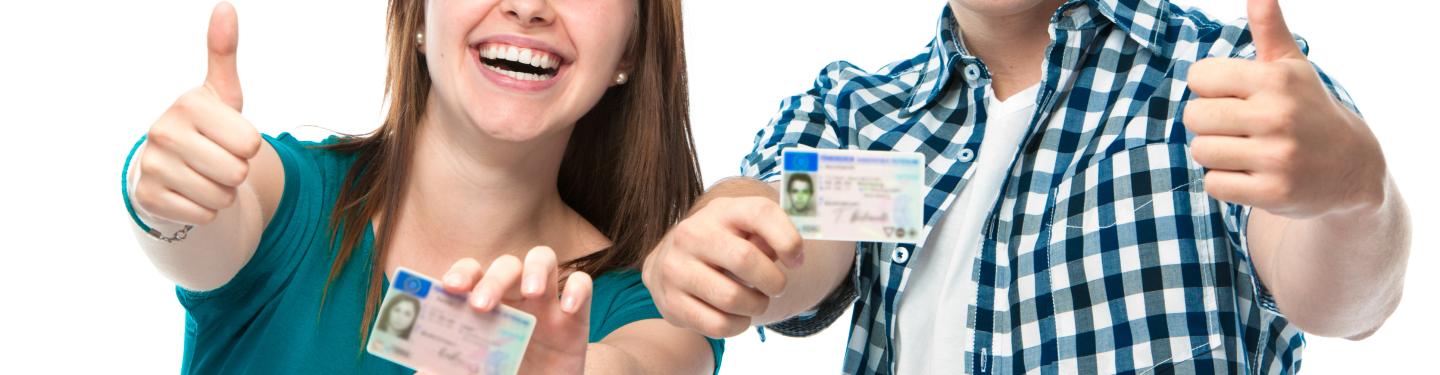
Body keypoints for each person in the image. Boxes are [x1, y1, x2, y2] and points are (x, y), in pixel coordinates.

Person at [642, 0, 1411, 374]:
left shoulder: (1215, 85)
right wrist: (723, 242)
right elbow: (800, 225)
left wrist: (1352, 190)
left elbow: (1340, 297)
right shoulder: (889, 139)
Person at [121, 1, 720, 374]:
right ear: (418, 13)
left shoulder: (650, 305)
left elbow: (640, 365)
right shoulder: (293, 199)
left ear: (633, 48)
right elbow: (202, 222)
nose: (529, 6)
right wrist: (162, 188)